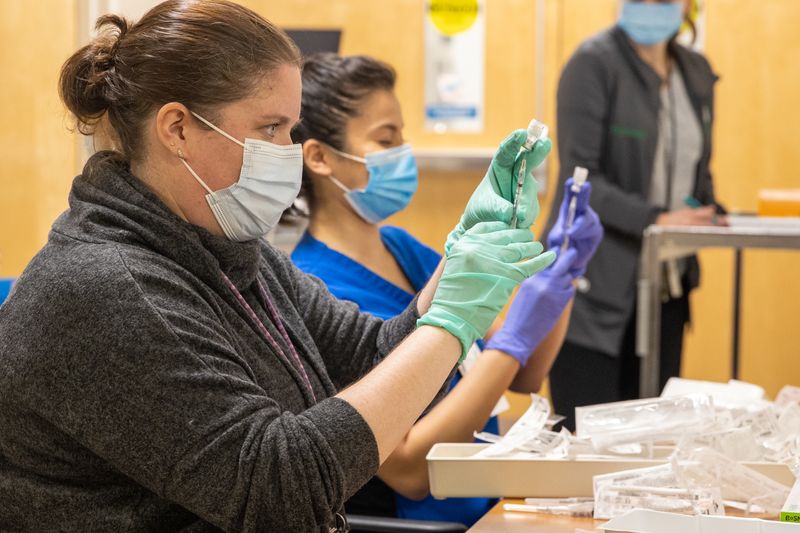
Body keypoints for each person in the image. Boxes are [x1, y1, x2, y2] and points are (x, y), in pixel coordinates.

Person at [0, 1, 558, 531]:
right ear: (177, 130)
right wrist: (452, 323)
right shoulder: (109, 288)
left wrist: (458, 263)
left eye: (290, 129)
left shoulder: (227, 249)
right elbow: (277, 491)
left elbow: (371, 360)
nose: (289, 151)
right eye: (270, 129)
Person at [286, 53, 603, 526]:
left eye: (402, 137)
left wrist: (560, 277)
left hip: (487, 501)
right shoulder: (313, 289)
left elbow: (523, 373)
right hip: (426, 521)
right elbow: (412, 469)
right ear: (319, 157)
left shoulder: (402, 250)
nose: (403, 153)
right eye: (385, 139)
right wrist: (514, 340)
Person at [545, 0, 725, 430]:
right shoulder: (592, 64)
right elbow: (579, 177)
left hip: (665, 287)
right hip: (593, 287)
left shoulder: (696, 71)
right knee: (587, 443)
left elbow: (695, 167)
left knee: (655, 447)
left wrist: (710, 208)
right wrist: (657, 217)